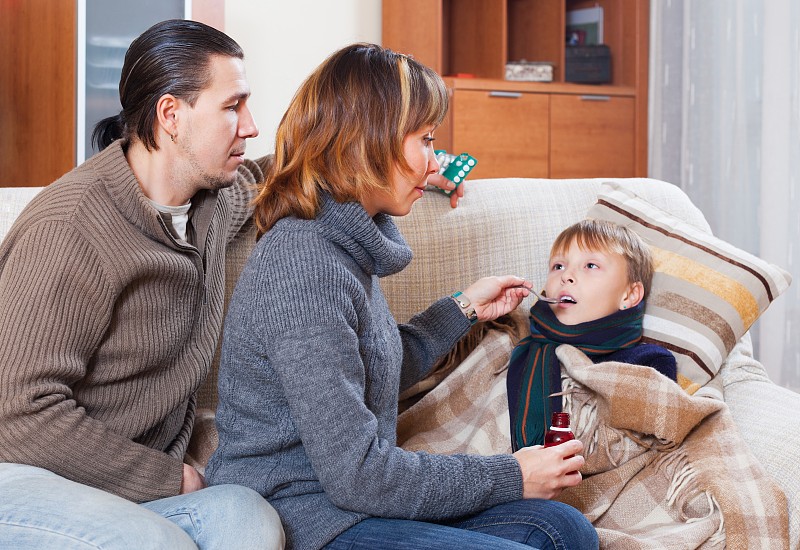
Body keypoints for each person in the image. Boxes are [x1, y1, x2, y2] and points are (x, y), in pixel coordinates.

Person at [205, 43, 598, 550]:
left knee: (565, 530)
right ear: (371, 141)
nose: (435, 161)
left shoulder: (346, 240)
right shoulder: (305, 267)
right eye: (426, 141)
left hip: (349, 504)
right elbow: (360, 475)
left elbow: (373, 367)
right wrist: (513, 475)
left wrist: (465, 309)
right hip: (307, 516)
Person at [0, 19, 285, 549]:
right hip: (20, 475)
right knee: (159, 545)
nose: (250, 126)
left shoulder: (211, 202)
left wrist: (406, 162)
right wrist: (167, 478)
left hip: (121, 490)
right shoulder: (69, 230)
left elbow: (274, 175)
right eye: (232, 106)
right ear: (171, 115)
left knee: (250, 521)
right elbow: (17, 414)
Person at [507, 219, 678, 451]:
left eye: (590, 265)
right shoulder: (514, 339)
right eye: (558, 266)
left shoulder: (650, 363)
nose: (566, 275)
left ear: (629, 295)